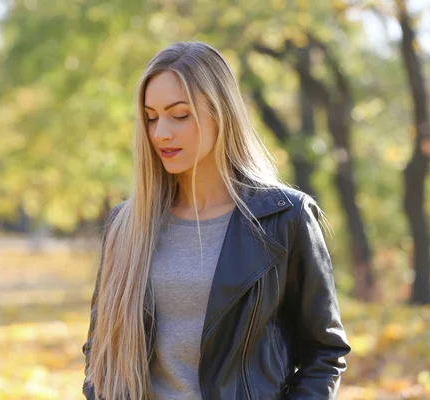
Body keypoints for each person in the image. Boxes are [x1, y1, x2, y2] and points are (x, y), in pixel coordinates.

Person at [82, 41, 351, 400]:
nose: (161, 133)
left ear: (220, 113)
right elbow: (100, 350)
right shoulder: (126, 224)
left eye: (179, 115)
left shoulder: (284, 218)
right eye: (150, 117)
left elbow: (324, 351)